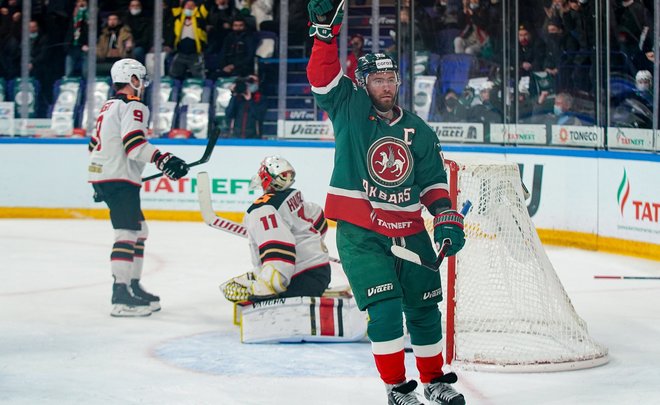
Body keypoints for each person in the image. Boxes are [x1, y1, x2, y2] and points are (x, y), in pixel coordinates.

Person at [306, 2, 466, 404]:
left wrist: (445, 216)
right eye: (377, 79)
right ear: (362, 84)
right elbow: (322, 78)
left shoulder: (419, 129)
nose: (386, 86)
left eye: (391, 78)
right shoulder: (349, 107)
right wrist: (323, 33)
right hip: (362, 234)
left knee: (426, 310)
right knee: (386, 310)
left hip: (411, 233)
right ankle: (397, 388)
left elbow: (431, 182)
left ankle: (434, 381)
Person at [88, 58, 189, 317]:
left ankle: (132, 285)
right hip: (118, 178)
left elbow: (93, 145)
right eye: (140, 79)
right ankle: (120, 295)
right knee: (127, 233)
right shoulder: (134, 106)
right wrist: (163, 159)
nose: (142, 84)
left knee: (139, 230)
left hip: (108, 175)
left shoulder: (108, 106)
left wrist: (105, 176)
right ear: (132, 79)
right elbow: (134, 147)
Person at [220, 156, 331, 303]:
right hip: (321, 271)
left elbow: (279, 252)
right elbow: (318, 218)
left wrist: (263, 286)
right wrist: (311, 250)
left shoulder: (262, 209)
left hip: (301, 279)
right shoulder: (293, 194)